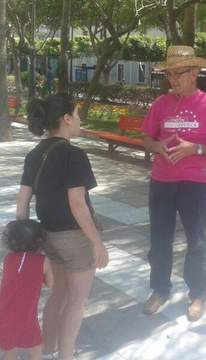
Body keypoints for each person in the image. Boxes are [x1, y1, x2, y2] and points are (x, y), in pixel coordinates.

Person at [141, 46, 206, 322]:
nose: (173, 79)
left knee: (197, 242)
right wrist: (157, 145)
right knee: (160, 239)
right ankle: (159, 289)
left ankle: (197, 294)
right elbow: (146, 139)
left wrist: (196, 149)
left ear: (194, 73)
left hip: (194, 184)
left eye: (178, 73)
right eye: (169, 73)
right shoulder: (160, 104)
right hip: (161, 183)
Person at [17, 93, 109, 360]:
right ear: (67, 119)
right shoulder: (74, 154)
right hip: (75, 239)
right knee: (76, 302)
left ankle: (48, 348)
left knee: (57, 295)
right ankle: (66, 355)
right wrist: (97, 243)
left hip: (47, 236)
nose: (80, 120)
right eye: (78, 114)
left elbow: (22, 202)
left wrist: (23, 245)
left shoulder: (34, 154)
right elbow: (78, 204)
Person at [0, 220, 54, 360]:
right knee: (35, 350)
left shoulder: (8, 259)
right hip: (26, 315)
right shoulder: (44, 261)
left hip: (4, 312)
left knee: (10, 351)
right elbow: (51, 283)